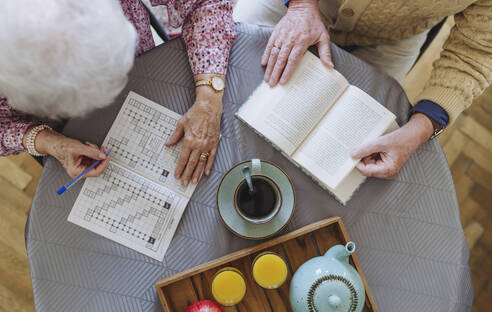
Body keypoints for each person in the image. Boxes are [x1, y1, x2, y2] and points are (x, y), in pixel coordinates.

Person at [234, 0, 492, 179]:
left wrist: (421, 128)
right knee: (231, 69)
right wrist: (301, 7)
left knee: (344, 155)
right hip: (296, 5)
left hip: (393, 35)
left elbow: (477, 52)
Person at [0, 0, 235, 187]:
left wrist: (208, 99)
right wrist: (48, 142)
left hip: (147, 75)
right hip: (70, 133)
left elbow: (206, 3)